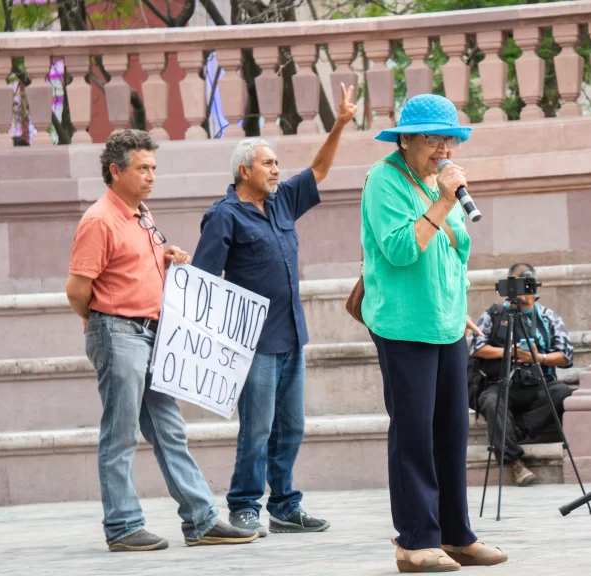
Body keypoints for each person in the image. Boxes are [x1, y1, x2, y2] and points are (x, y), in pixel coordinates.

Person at [66, 130, 257, 551]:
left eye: (153, 168)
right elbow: (77, 289)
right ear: (115, 171)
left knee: (170, 430)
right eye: (142, 169)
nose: (151, 176)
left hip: (153, 335)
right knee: (120, 434)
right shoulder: (99, 220)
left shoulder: (141, 213)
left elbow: (130, 268)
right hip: (118, 332)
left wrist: (169, 258)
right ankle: (122, 526)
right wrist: (94, 321)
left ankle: (202, 520)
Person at [191, 84, 356, 537]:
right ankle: (244, 504)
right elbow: (204, 281)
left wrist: (340, 123)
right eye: (268, 164)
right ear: (244, 171)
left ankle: (284, 505)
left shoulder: (281, 200)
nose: (277, 170)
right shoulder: (224, 215)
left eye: (277, 163)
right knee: (258, 428)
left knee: (291, 426)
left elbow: (318, 169)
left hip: (291, 335)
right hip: (254, 344)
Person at [361, 93, 507, 573]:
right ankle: (415, 540)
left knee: (451, 431)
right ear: (405, 140)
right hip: (404, 325)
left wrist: (457, 306)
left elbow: (456, 251)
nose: (444, 150)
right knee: (414, 433)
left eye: (450, 140)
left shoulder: (438, 181)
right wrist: (444, 201)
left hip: (445, 323)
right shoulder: (384, 180)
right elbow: (402, 250)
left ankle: (455, 534)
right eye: (433, 139)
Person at [469, 263, 575, 487]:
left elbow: (566, 356)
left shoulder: (548, 317)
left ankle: (517, 429)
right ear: (508, 288)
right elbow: (477, 348)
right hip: (500, 383)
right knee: (491, 401)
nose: (524, 295)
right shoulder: (494, 314)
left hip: (537, 384)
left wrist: (539, 358)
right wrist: (509, 352)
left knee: (562, 392)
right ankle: (513, 463)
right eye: (518, 287)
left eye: (528, 287)